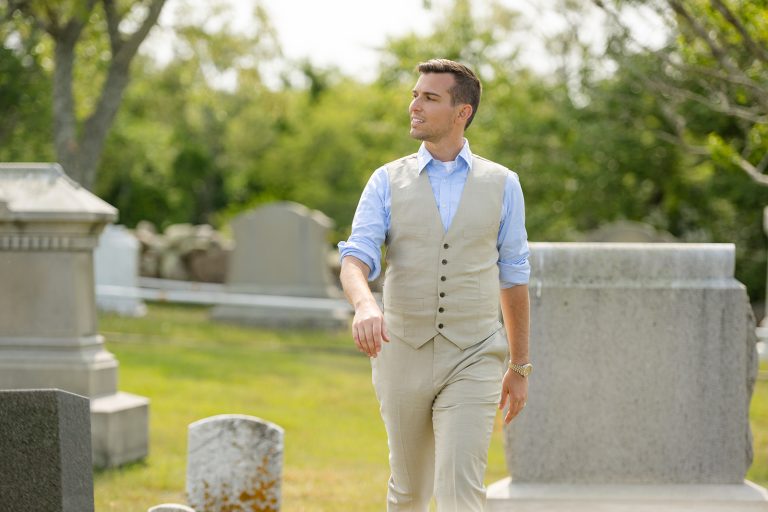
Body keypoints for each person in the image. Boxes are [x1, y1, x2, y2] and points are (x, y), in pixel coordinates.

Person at [338, 58, 531, 512]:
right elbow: (355, 258)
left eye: (429, 97)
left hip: (474, 353)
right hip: (402, 351)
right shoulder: (386, 180)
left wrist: (520, 366)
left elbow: (514, 275)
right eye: (415, 95)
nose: (415, 106)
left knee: (460, 491)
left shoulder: (503, 184)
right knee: (410, 491)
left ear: (462, 111)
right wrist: (365, 305)